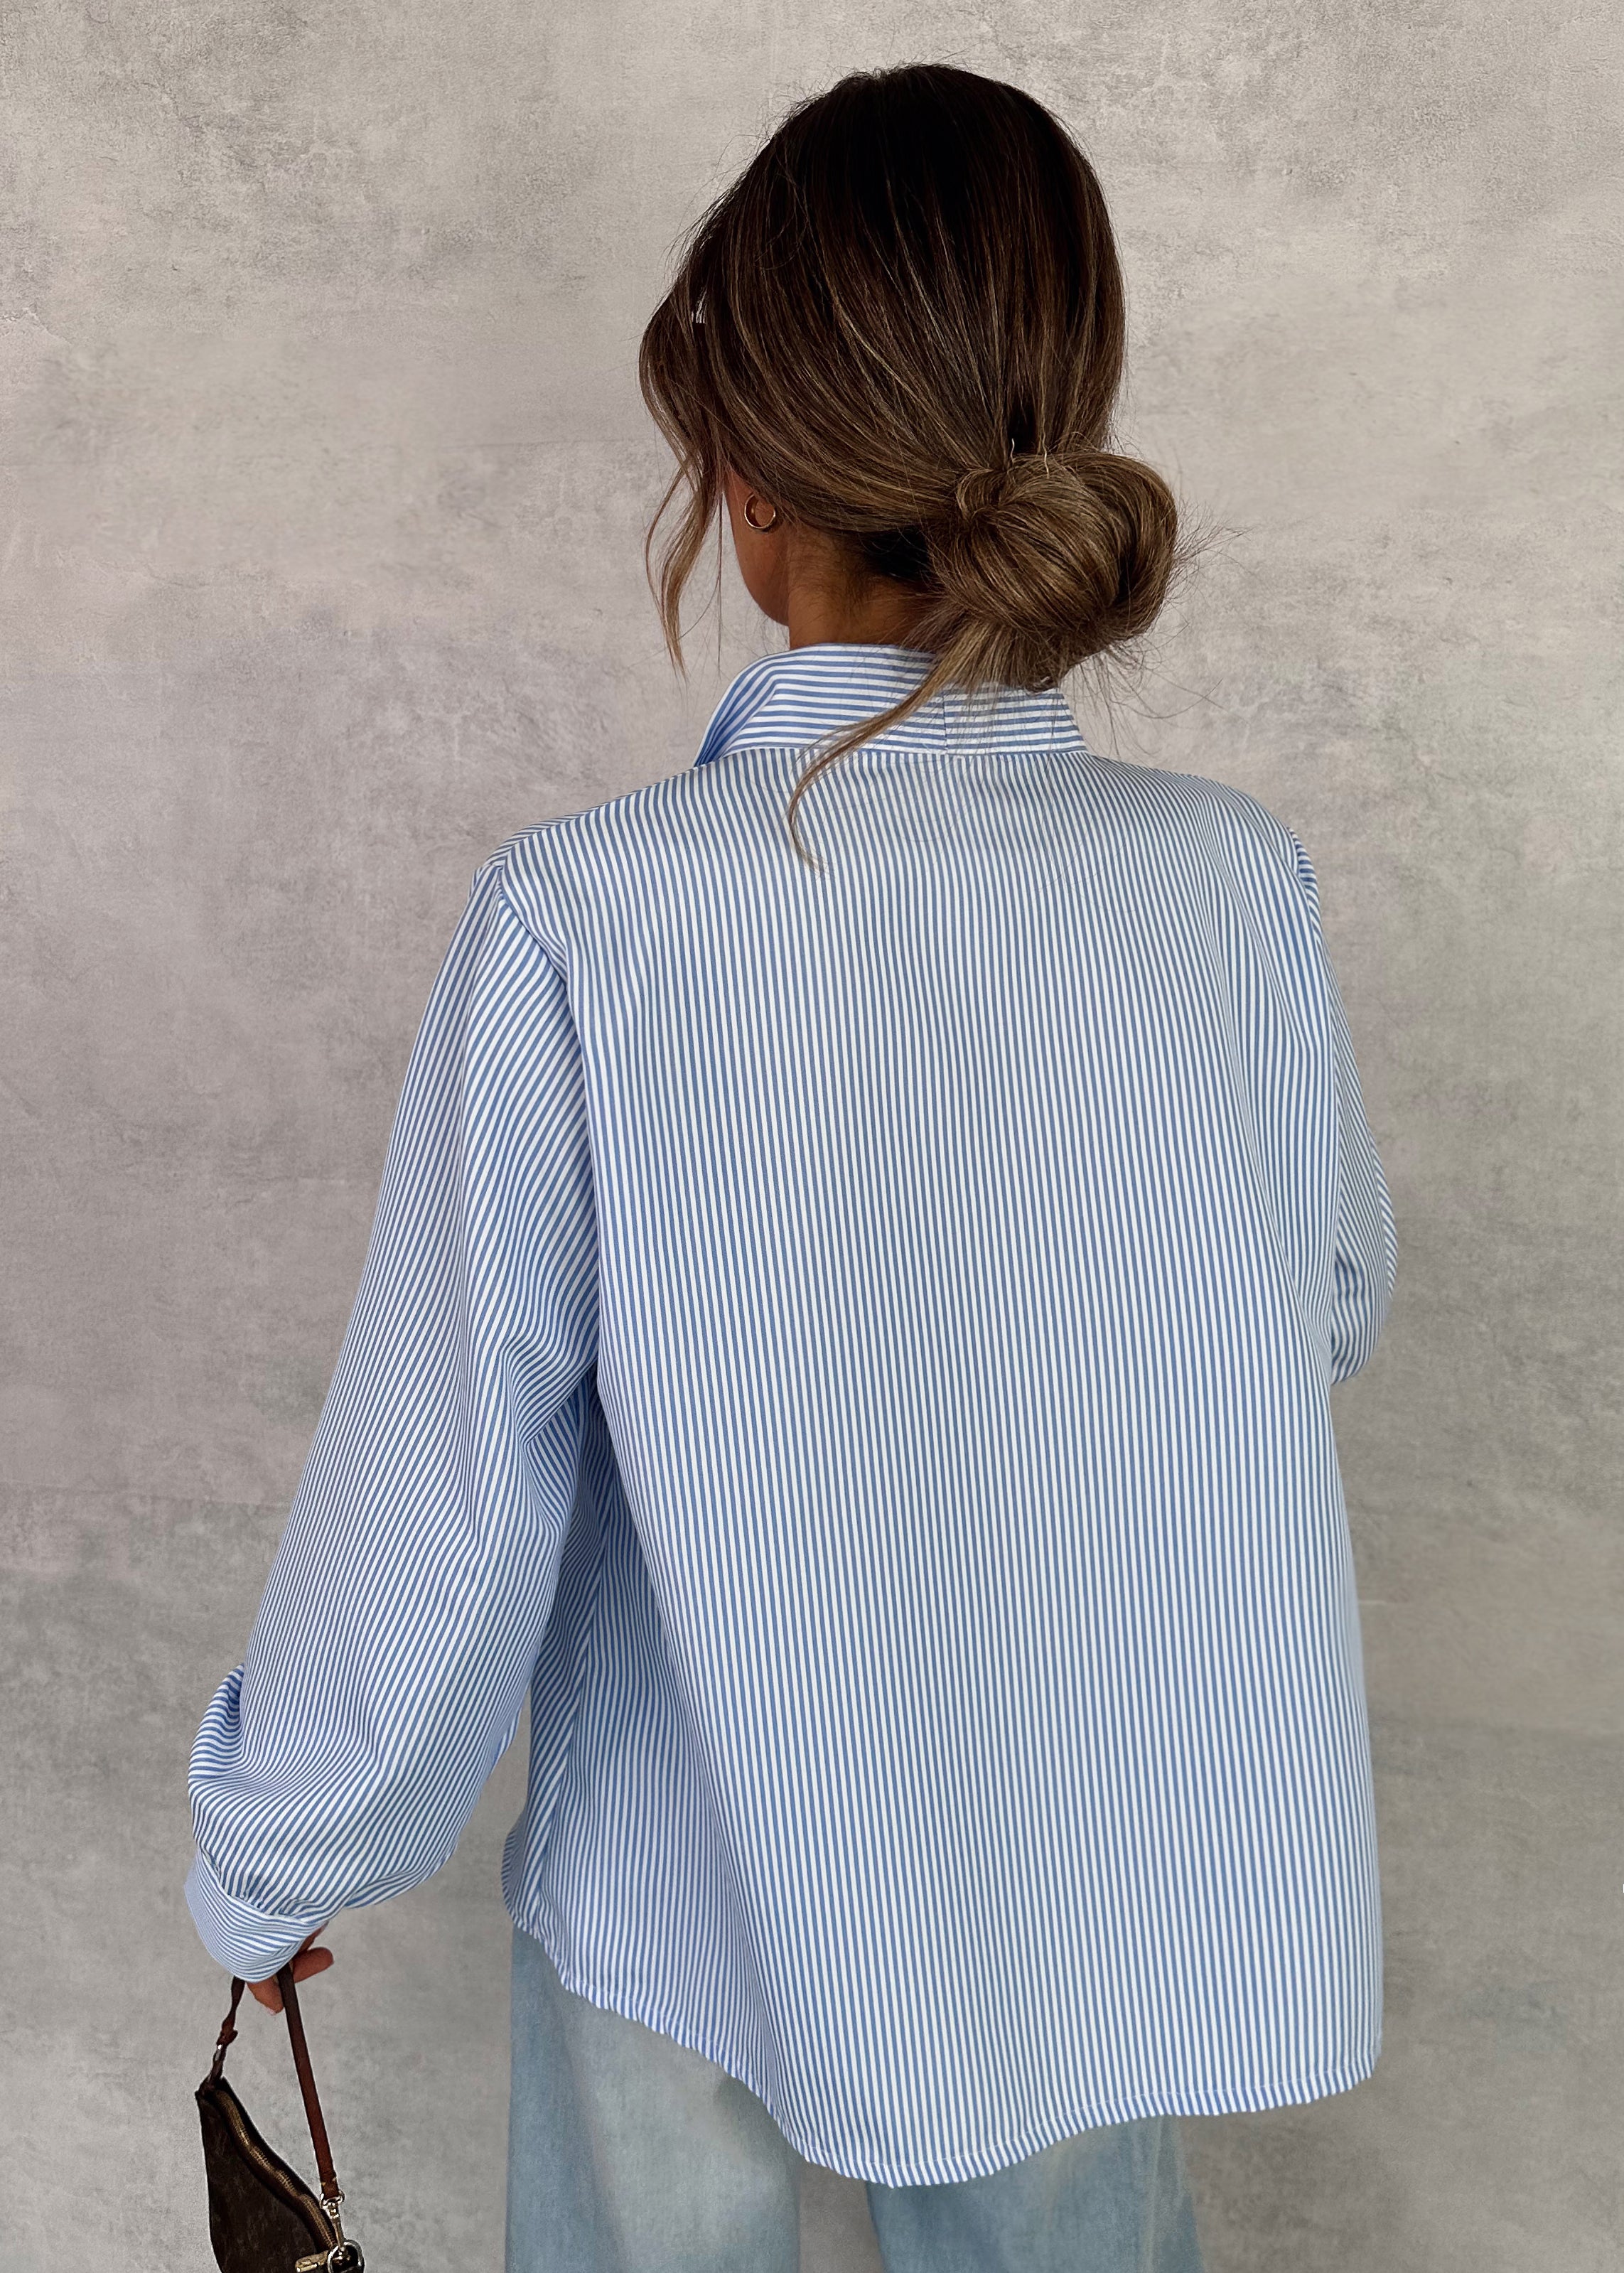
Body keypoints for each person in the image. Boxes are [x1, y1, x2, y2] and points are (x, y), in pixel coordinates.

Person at [185, 62, 1397, 2273]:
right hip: (1084, 1856)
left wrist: (288, 1851)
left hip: (690, 1852)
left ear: (744, 486)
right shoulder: (1225, 883)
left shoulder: (592, 913)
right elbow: (1319, 1306)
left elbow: (450, 1465)